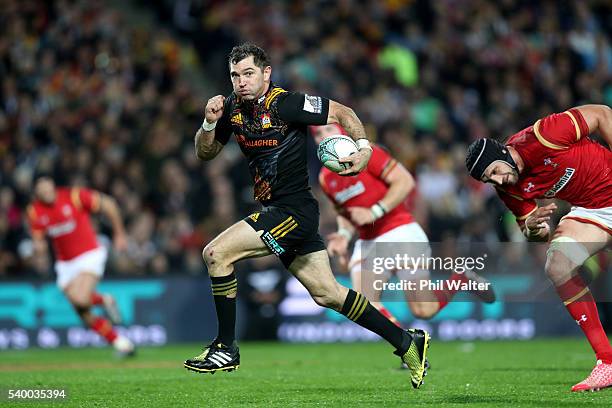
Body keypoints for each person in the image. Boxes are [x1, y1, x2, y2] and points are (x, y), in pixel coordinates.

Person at [183, 43, 430, 389]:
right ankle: (407, 342)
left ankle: (225, 347)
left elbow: (344, 114)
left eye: (249, 73)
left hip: (293, 211)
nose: (241, 81)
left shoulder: (288, 103)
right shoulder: (231, 109)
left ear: (266, 73)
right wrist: (209, 123)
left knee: (216, 253)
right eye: (235, 75)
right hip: (278, 211)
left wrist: (363, 148)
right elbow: (205, 153)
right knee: (328, 294)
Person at [465, 104, 612, 392]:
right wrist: (533, 229)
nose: (496, 181)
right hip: (593, 211)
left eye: (494, 172)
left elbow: (603, 114)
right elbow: (531, 230)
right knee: (557, 265)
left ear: (503, 154)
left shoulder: (543, 135)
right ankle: (606, 361)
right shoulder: (507, 188)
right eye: (488, 180)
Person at [313, 123, 495, 328]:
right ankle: (409, 346)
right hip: (369, 241)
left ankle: (461, 279)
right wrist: (344, 235)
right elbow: (345, 213)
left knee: (424, 310)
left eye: (328, 130)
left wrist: (374, 211)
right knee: (364, 306)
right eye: (318, 133)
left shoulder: (367, 153)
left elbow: (405, 181)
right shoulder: (326, 178)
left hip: (400, 230)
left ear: (342, 132)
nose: (323, 136)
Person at [27, 176, 134, 356]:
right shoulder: (35, 211)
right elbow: (39, 240)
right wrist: (38, 250)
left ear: (53, 186)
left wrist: (120, 233)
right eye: (42, 191)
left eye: (48, 188)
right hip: (65, 263)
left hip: (89, 254)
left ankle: (104, 300)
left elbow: (108, 204)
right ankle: (121, 343)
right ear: (36, 194)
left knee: (80, 299)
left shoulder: (73, 196)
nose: (46, 193)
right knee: (83, 312)